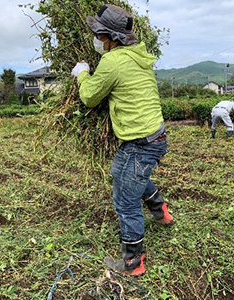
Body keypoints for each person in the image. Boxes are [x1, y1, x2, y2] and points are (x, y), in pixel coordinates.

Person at [71, 4, 174, 276]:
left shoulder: (112, 61)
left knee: (125, 200)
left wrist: (82, 73)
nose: (97, 40)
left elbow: (90, 96)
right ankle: (160, 209)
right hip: (154, 136)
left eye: (99, 36)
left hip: (141, 142)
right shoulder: (139, 57)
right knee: (124, 174)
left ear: (111, 38)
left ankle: (133, 262)